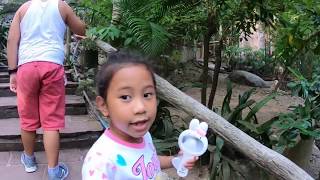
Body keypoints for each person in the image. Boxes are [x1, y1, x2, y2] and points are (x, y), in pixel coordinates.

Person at [82, 52, 199, 179]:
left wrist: (175, 160)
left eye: (147, 95)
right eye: (125, 97)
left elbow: (148, 162)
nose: (140, 108)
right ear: (104, 106)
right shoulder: (100, 163)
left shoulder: (145, 136)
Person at [6, 0, 85, 179]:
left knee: (27, 118)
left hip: (26, 67)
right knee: (51, 122)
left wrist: (12, 71)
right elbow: (81, 30)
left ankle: (29, 160)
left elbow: (12, 40)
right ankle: (54, 171)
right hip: (52, 64)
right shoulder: (62, 6)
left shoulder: (23, 8)